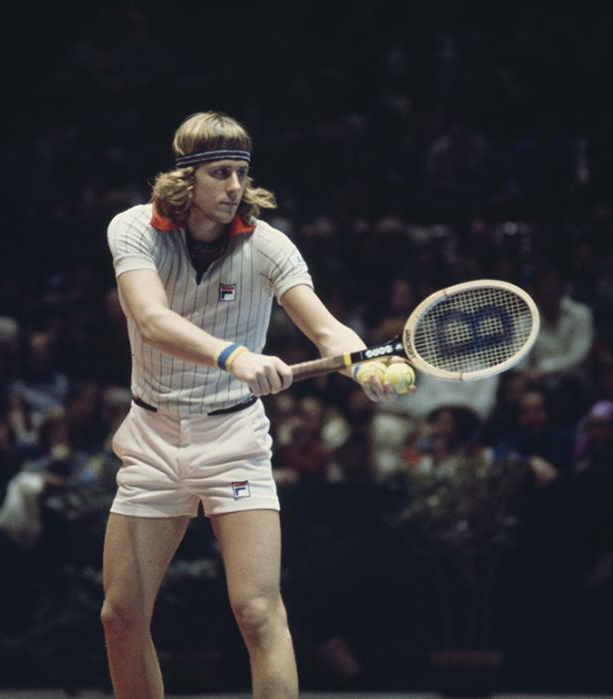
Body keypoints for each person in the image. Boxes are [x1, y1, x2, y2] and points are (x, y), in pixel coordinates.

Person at [100, 111, 409, 699]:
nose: (235, 187)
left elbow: (327, 330)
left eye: (241, 173)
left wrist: (363, 363)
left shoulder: (269, 247)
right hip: (153, 436)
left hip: (233, 441)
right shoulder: (134, 229)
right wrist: (236, 357)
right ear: (185, 178)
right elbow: (151, 318)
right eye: (220, 173)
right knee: (121, 617)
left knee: (258, 612)